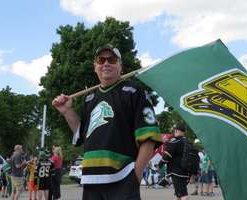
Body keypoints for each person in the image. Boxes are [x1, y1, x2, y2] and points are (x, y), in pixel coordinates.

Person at [52, 44, 162, 200]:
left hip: (122, 179)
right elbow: (82, 134)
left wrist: (135, 177)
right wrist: (67, 111)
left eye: (112, 59)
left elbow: (149, 138)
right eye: (101, 60)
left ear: (120, 66)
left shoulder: (134, 92)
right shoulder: (90, 98)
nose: (106, 63)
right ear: (95, 67)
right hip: (91, 181)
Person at [158, 123, 190, 200]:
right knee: (178, 194)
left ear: (176, 130)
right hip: (185, 171)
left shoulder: (175, 141)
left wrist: (159, 165)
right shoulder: (188, 142)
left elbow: (167, 155)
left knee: (183, 195)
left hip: (176, 171)